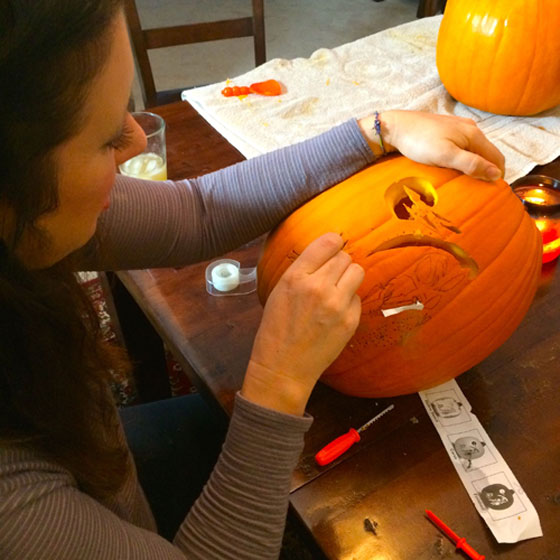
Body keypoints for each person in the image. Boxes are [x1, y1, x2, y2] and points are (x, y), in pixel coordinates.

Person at [0, 1, 505, 558]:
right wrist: (276, 379)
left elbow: (197, 211)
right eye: (103, 139)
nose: (137, 142)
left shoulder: (29, 218)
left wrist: (376, 131)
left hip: (107, 477)